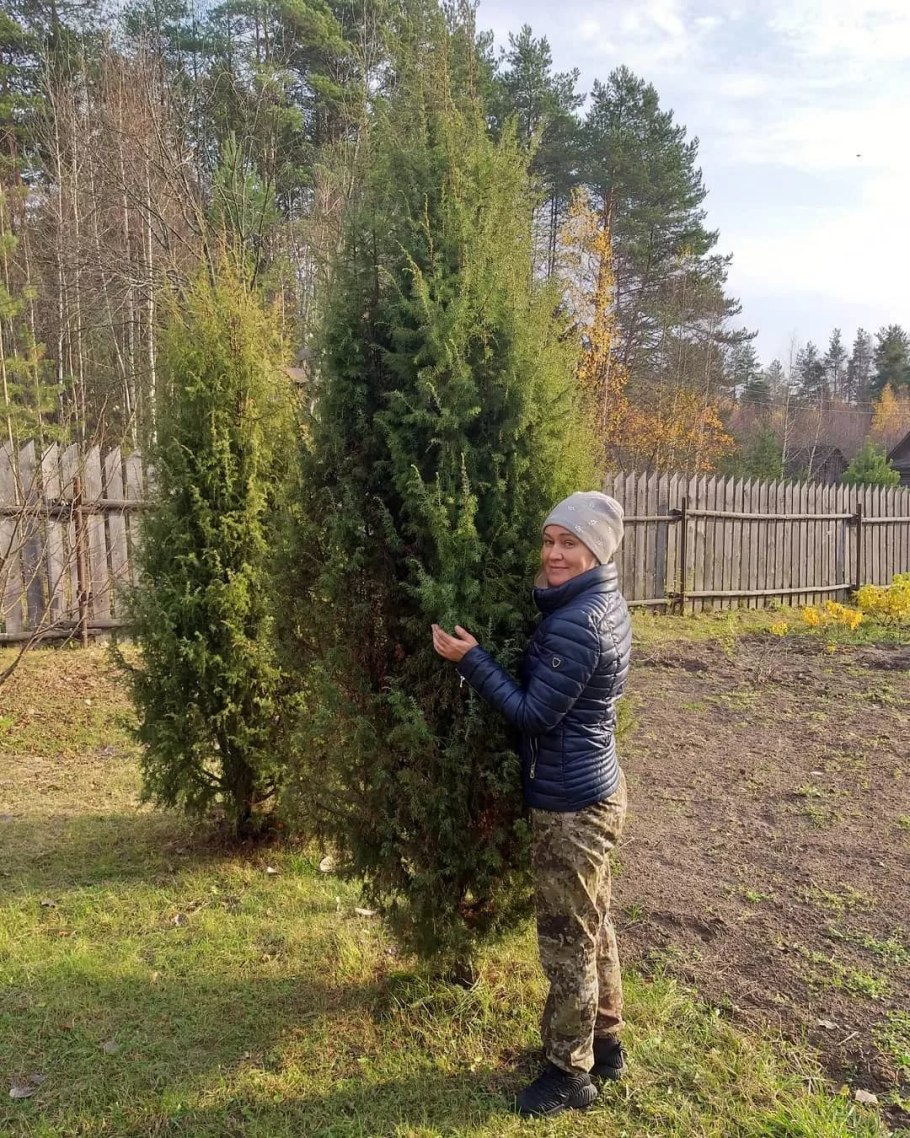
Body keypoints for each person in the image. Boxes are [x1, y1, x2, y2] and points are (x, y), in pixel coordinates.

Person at [431, 490, 632, 1119]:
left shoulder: (577, 622)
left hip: (571, 805)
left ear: (597, 550)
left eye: (569, 543)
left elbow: (532, 714)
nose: (554, 554)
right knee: (594, 924)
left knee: (568, 943)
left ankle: (569, 1073)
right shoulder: (603, 602)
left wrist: (472, 661)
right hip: (597, 787)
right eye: (548, 540)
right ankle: (606, 1045)